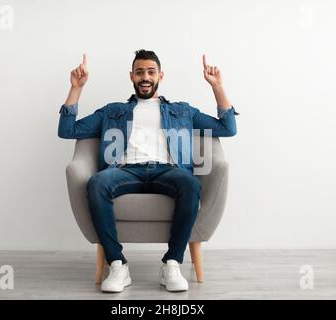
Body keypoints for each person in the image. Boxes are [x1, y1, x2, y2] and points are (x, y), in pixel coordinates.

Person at [58, 49, 239, 292]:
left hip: (168, 170)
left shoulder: (183, 111)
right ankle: (118, 265)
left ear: (160, 76)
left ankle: (172, 263)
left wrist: (216, 86)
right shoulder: (113, 111)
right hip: (125, 170)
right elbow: (67, 130)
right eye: (140, 72)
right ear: (131, 76)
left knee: (191, 184)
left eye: (151, 72)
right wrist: (76, 88)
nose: (145, 77)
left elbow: (228, 128)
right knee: (97, 183)